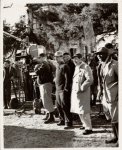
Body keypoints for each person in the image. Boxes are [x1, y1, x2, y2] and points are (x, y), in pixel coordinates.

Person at [95, 47, 118, 144]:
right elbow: (100, 81)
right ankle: (116, 137)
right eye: (98, 54)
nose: (99, 56)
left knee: (116, 117)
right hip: (105, 96)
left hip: (115, 96)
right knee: (111, 117)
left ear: (107, 54)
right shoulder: (100, 65)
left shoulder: (115, 64)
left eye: (102, 54)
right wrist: (99, 93)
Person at [70, 53, 93, 135]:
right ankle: (84, 124)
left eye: (76, 59)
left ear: (81, 59)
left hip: (83, 92)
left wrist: (82, 88)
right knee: (79, 110)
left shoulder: (86, 67)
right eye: (73, 59)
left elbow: (90, 79)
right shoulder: (77, 67)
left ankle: (89, 128)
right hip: (76, 93)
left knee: (84, 110)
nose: (74, 60)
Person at [34, 53, 55, 124]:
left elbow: (38, 72)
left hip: (45, 84)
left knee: (47, 100)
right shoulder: (45, 63)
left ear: (43, 57)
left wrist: (36, 69)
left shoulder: (44, 64)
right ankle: (48, 114)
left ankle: (51, 116)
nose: (38, 59)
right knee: (45, 100)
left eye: (40, 58)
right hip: (43, 84)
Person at [54, 51, 72, 129]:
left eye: (57, 57)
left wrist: (66, 88)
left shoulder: (65, 66)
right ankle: (62, 120)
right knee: (58, 105)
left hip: (63, 90)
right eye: (55, 57)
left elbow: (68, 79)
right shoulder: (58, 66)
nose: (56, 59)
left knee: (65, 106)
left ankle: (68, 122)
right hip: (58, 89)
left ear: (61, 57)